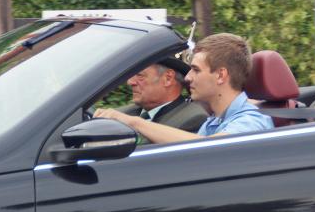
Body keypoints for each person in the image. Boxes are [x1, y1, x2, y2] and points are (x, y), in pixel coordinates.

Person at [95, 33, 273, 144]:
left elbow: (208, 150)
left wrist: (134, 122)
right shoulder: (214, 122)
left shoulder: (251, 121)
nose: (187, 77)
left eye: (196, 70)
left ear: (220, 75)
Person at [117, 58, 207, 139]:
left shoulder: (192, 118)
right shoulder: (122, 114)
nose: (130, 82)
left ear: (168, 78)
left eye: (140, 75)